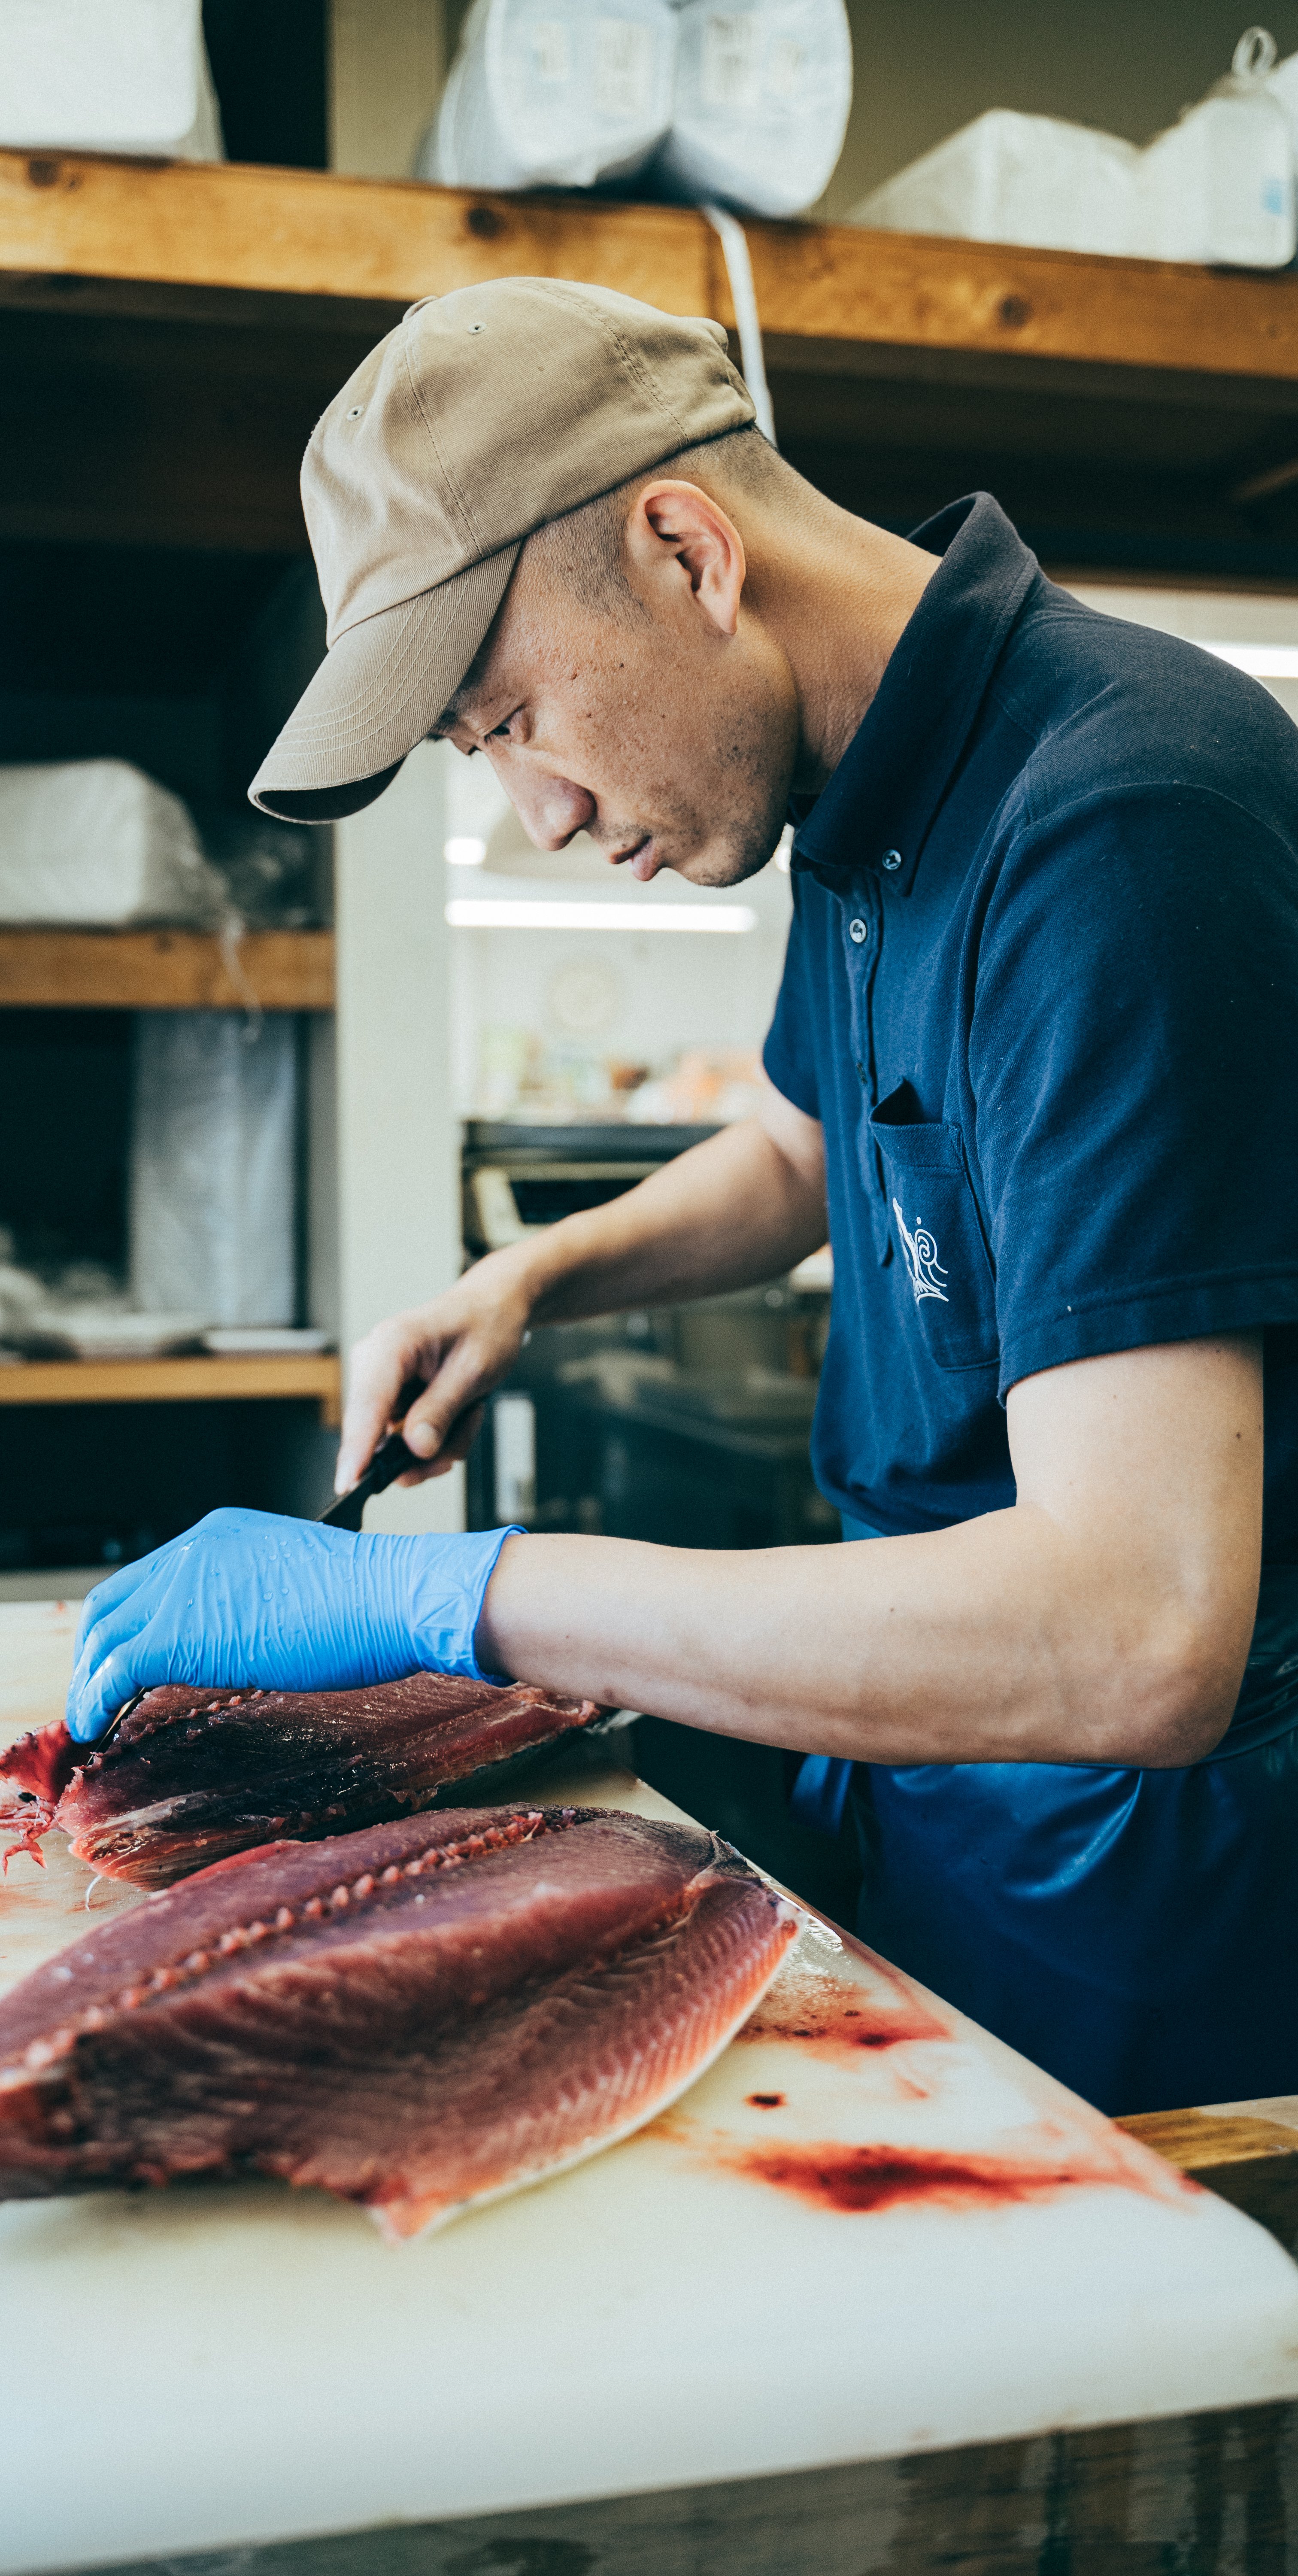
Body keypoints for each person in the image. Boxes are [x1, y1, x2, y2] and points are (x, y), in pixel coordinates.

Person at [69, 278, 1298, 2117]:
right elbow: (813, 1150)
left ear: (685, 551)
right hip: (940, 1783)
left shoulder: (1118, 831)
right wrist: (535, 1275)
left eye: (508, 720)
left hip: (1156, 1882)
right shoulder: (878, 788)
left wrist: (459, 1600)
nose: (537, 816)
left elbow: (1134, 1632)